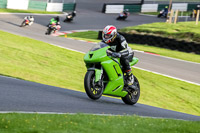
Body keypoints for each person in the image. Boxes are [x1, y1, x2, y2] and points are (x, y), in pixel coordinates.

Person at [102, 25, 136, 89]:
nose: (106, 37)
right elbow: (101, 48)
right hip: (114, 54)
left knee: (123, 58)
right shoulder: (104, 41)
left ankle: (129, 75)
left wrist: (119, 53)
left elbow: (125, 49)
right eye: (105, 35)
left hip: (127, 53)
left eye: (108, 35)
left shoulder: (120, 38)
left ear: (113, 35)